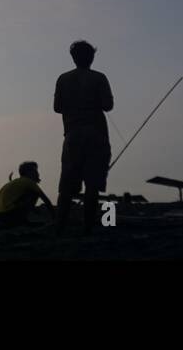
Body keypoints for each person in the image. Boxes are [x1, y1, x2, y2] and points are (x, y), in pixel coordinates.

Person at [54, 40, 115, 234]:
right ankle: (87, 228)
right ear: (91, 57)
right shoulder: (99, 78)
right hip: (96, 134)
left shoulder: (63, 79)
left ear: (73, 58)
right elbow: (108, 105)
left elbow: (57, 107)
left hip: (72, 135)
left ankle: (60, 227)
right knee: (92, 184)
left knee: (66, 186)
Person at [0, 162, 55, 228]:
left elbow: (17, 200)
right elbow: (46, 200)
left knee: (27, 194)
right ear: (28, 172)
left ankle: (19, 221)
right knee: (34, 193)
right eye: (35, 171)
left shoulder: (17, 182)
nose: (37, 174)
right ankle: (22, 220)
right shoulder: (29, 182)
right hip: (8, 214)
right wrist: (55, 216)